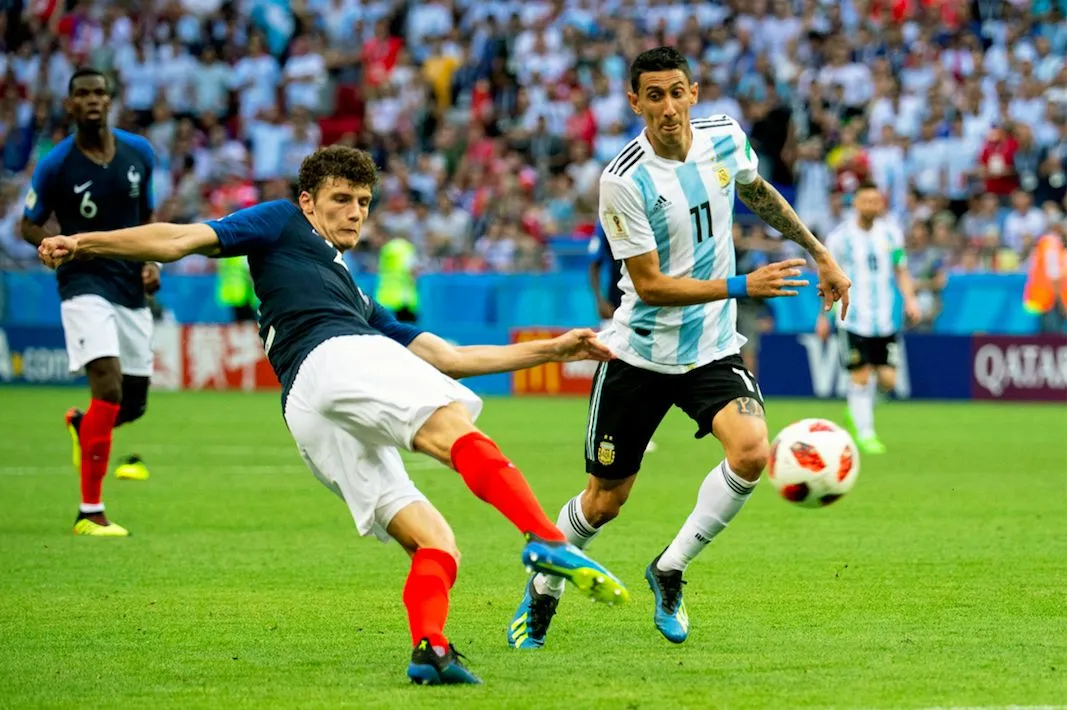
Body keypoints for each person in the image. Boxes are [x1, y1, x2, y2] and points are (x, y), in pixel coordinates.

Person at [37, 145, 629, 686]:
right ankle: (545, 538)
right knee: (452, 429)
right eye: (341, 199)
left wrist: (554, 348)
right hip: (334, 359)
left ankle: (430, 648)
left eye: (363, 202)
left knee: (436, 541)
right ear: (308, 202)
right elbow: (179, 240)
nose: (353, 212)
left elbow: (447, 356)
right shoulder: (279, 221)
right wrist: (84, 242)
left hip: (307, 408)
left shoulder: (354, 291)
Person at [507, 46, 851, 649]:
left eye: (678, 92)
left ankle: (669, 569)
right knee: (605, 501)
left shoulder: (724, 138)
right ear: (635, 101)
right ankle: (543, 589)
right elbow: (650, 287)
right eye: (655, 96)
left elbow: (758, 191)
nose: (669, 107)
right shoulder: (623, 180)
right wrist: (744, 285)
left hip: (712, 349)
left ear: (694, 92)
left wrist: (820, 251)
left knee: (750, 452)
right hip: (639, 354)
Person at [21, 68, 158, 537]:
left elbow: (148, 219)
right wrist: (49, 244)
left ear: (110, 99)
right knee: (109, 386)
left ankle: (84, 427)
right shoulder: (56, 164)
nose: (93, 100)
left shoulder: (140, 154)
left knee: (133, 404)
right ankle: (90, 512)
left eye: (100, 92)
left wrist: (152, 262)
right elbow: (29, 223)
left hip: (129, 287)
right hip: (82, 282)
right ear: (70, 105)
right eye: (83, 94)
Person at [816, 182, 920, 455]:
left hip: (885, 319)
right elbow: (827, 279)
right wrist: (823, 317)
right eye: (866, 201)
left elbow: (901, 270)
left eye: (876, 201)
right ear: (856, 203)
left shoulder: (891, 234)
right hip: (852, 319)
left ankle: (856, 409)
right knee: (860, 376)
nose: (872, 206)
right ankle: (866, 432)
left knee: (888, 381)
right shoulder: (840, 238)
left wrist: (910, 299)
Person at [589, 220, 657, 453]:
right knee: (616, 371)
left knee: (643, 372)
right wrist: (599, 299)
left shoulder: (647, 219)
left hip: (645, 308)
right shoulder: (606, 223)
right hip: (616, 308)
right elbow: (594, 264)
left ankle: (637, 432)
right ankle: (608, 430)